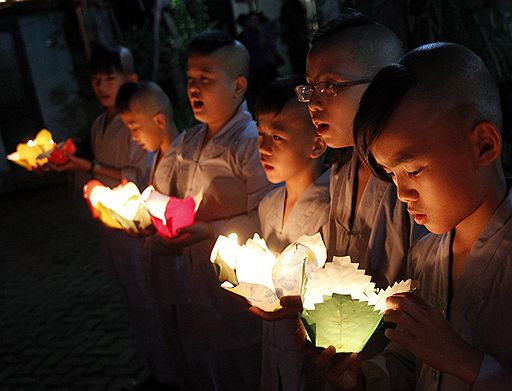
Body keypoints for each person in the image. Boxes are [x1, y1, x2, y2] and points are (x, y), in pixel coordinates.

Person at [321, 42, 512, 390]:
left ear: (483, 144)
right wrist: (364, 377)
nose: (402, 192)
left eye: (413, 169)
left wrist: (466, 363)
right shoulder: (426, 256)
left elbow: (445, 358)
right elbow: (413, 362)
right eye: (392, 174)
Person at [159, 31, 276, 391]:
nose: (194, 89)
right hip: (196, 287)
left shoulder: (251, 143)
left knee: (252, 371)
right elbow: (162, 194)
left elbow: (268, 216)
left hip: (240, 295)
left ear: (238, 85)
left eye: (206, 79)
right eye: (191, 79)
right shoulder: (189, 142)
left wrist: (211, 231)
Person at [247, 77, 329, 391]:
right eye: (260, 134)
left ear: (316, 144)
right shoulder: (268, 205)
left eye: (278, 137)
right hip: (274, 337)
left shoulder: (330, 209)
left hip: (314, 343)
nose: (264, 148)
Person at [116, 81, 187, 389]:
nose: (133, 136)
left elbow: (183, 216)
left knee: (192, 341)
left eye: (134, 127)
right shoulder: (156, 157)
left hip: (183, 272)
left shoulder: (185, 158)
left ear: (159, 120)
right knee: (175, 338)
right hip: (163, 268)